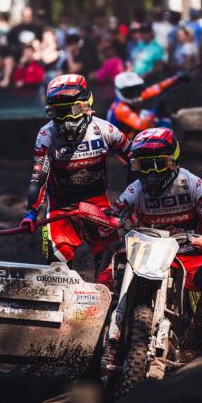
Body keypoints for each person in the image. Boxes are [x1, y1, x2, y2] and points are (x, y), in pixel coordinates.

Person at [100, 128, 202, 365]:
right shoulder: (135, 189)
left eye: (158, 164)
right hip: (143, 253)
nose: (151, 173)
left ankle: (191, 345)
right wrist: (106, 221)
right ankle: (97, 336)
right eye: (144, 166)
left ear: (174, 160)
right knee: (104, 280)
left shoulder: (191, 183)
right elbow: (112, 216)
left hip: (186, 256)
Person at [19, 74, 131, 271]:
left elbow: (136, 159)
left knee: (112, 258)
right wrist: (31, 212)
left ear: (86, 105)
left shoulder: (105, 129)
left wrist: (134, 202)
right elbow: (38, 178)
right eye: (59, 112)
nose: (67, 119)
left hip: (98, 205)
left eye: (72, 110)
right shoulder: (46, 135)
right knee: (55, 259)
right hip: (60, 208)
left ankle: (107, 288)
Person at [107, 70, 188, 139]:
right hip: (122, 145)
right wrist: (154, 110)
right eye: (130, 91)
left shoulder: (136, 96)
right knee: (161, 124)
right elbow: (142, 125)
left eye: (137, 89)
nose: (134, 93)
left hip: (130, 133)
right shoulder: (121, 109)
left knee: (158, 119)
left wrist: (175, 78)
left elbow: (158, 87)